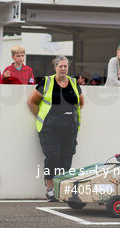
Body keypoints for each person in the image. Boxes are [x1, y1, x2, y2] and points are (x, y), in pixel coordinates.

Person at [27, 56, 84, 200]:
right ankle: (50, 188)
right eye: (60, 66)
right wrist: (43, 119)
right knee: (52, 157)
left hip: (69, 128)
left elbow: (81, 102)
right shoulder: (47, 82)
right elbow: (31, 101)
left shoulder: (73, 82)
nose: (63, 69)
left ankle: (63, 189)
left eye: (65, 66)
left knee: (66, 159)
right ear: (55, 67)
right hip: (50, 129)